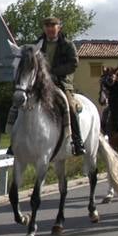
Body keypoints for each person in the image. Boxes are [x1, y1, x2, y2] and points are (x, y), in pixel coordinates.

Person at [39, 16, 84, 155]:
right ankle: (15, 141)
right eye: (47, 26)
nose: (50, 29)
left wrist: (54, 72)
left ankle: (77, 141)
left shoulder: (68, 45)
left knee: (70, 107)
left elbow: (73, 64)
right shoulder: (38, 44)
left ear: (59, 28)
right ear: (44, 28)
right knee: (21, 101)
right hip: (41, 82)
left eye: (53, 26)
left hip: (62, 82)